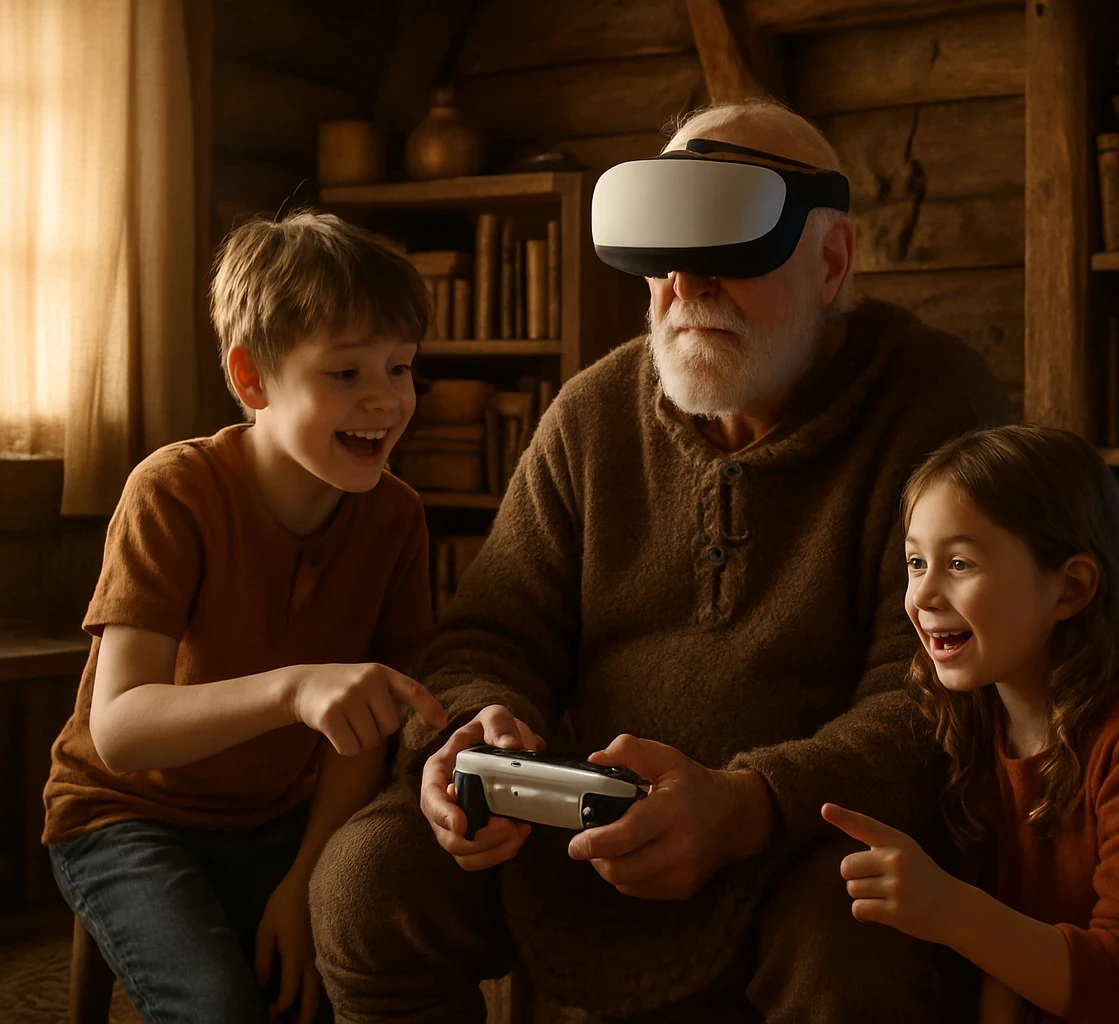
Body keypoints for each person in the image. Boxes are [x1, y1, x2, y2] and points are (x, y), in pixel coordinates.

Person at [308, 98, 1015, 1023]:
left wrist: (750, 802)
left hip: (801, 839)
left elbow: (932, 691)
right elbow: (494, 630)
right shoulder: (592, 412)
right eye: (663, 252)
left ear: (831, 259)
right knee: (366, 882)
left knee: (858, 944)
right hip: (573, 822)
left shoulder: (936, 405)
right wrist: (480, 731)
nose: (685, 281)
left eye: (727, 243)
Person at [42, 211, 448, 1024]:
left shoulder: (395, 517)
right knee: (220, 1009)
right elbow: (119, 729)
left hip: (280, 818)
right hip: (127, 816)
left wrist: (304, 883)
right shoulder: (175, 491)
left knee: (359, 981)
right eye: (344, 374)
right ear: (252, 378)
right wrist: (293, 690)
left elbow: (364, 726)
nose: (385, 399)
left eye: (400, 367)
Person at [823, 424, 1119, 1023]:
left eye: (959, 562)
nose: (923, 595)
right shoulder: (965, 718)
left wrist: (949, 910)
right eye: (916, 561)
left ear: (1070, 588)